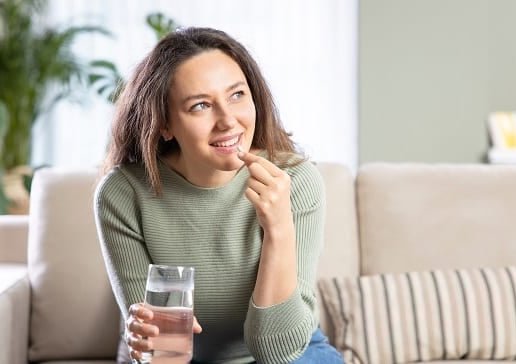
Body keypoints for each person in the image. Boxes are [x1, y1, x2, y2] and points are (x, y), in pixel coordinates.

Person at [94, 26, 344, 364]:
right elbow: (161, 351)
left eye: (237, 95)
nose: (228, 121)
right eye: (200, 106)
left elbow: (280, 353)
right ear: (165, 124)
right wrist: (148, 340)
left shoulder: (295, 181)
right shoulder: (123, 194)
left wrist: (279, 228)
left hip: (293, 349)